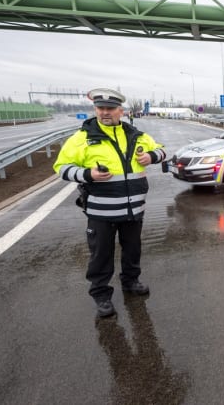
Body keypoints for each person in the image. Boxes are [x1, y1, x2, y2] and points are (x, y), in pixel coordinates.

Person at [54, 88, 167, 319]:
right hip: (101, 211)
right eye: (100, 108)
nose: (105, 113)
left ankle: (131, 281)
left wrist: (151, 157)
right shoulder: (83, 137)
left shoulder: (136, 135)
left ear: (120, 111)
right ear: (95, 110)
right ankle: (101, 295)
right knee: (101, 255)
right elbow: (61, 168)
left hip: (134, 209)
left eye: (110, 109)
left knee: (132, 249)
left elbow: (162, 150)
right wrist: (88, 175)